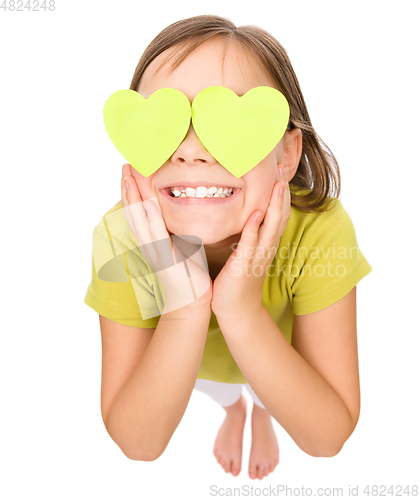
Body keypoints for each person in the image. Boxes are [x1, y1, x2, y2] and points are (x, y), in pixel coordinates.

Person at [84, 14, 372, 480]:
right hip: (190, 369)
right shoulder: (121, 239)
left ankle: (258, 411)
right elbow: (138, 444)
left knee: (266, 392)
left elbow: (326, 438)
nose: (190, 151)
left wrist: (241, 312)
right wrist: (184, 309)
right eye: (166, 124)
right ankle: (235, 410)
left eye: (226, 125)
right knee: (221, 389)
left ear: (286, 156)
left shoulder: (321, 231)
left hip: (282, 361)